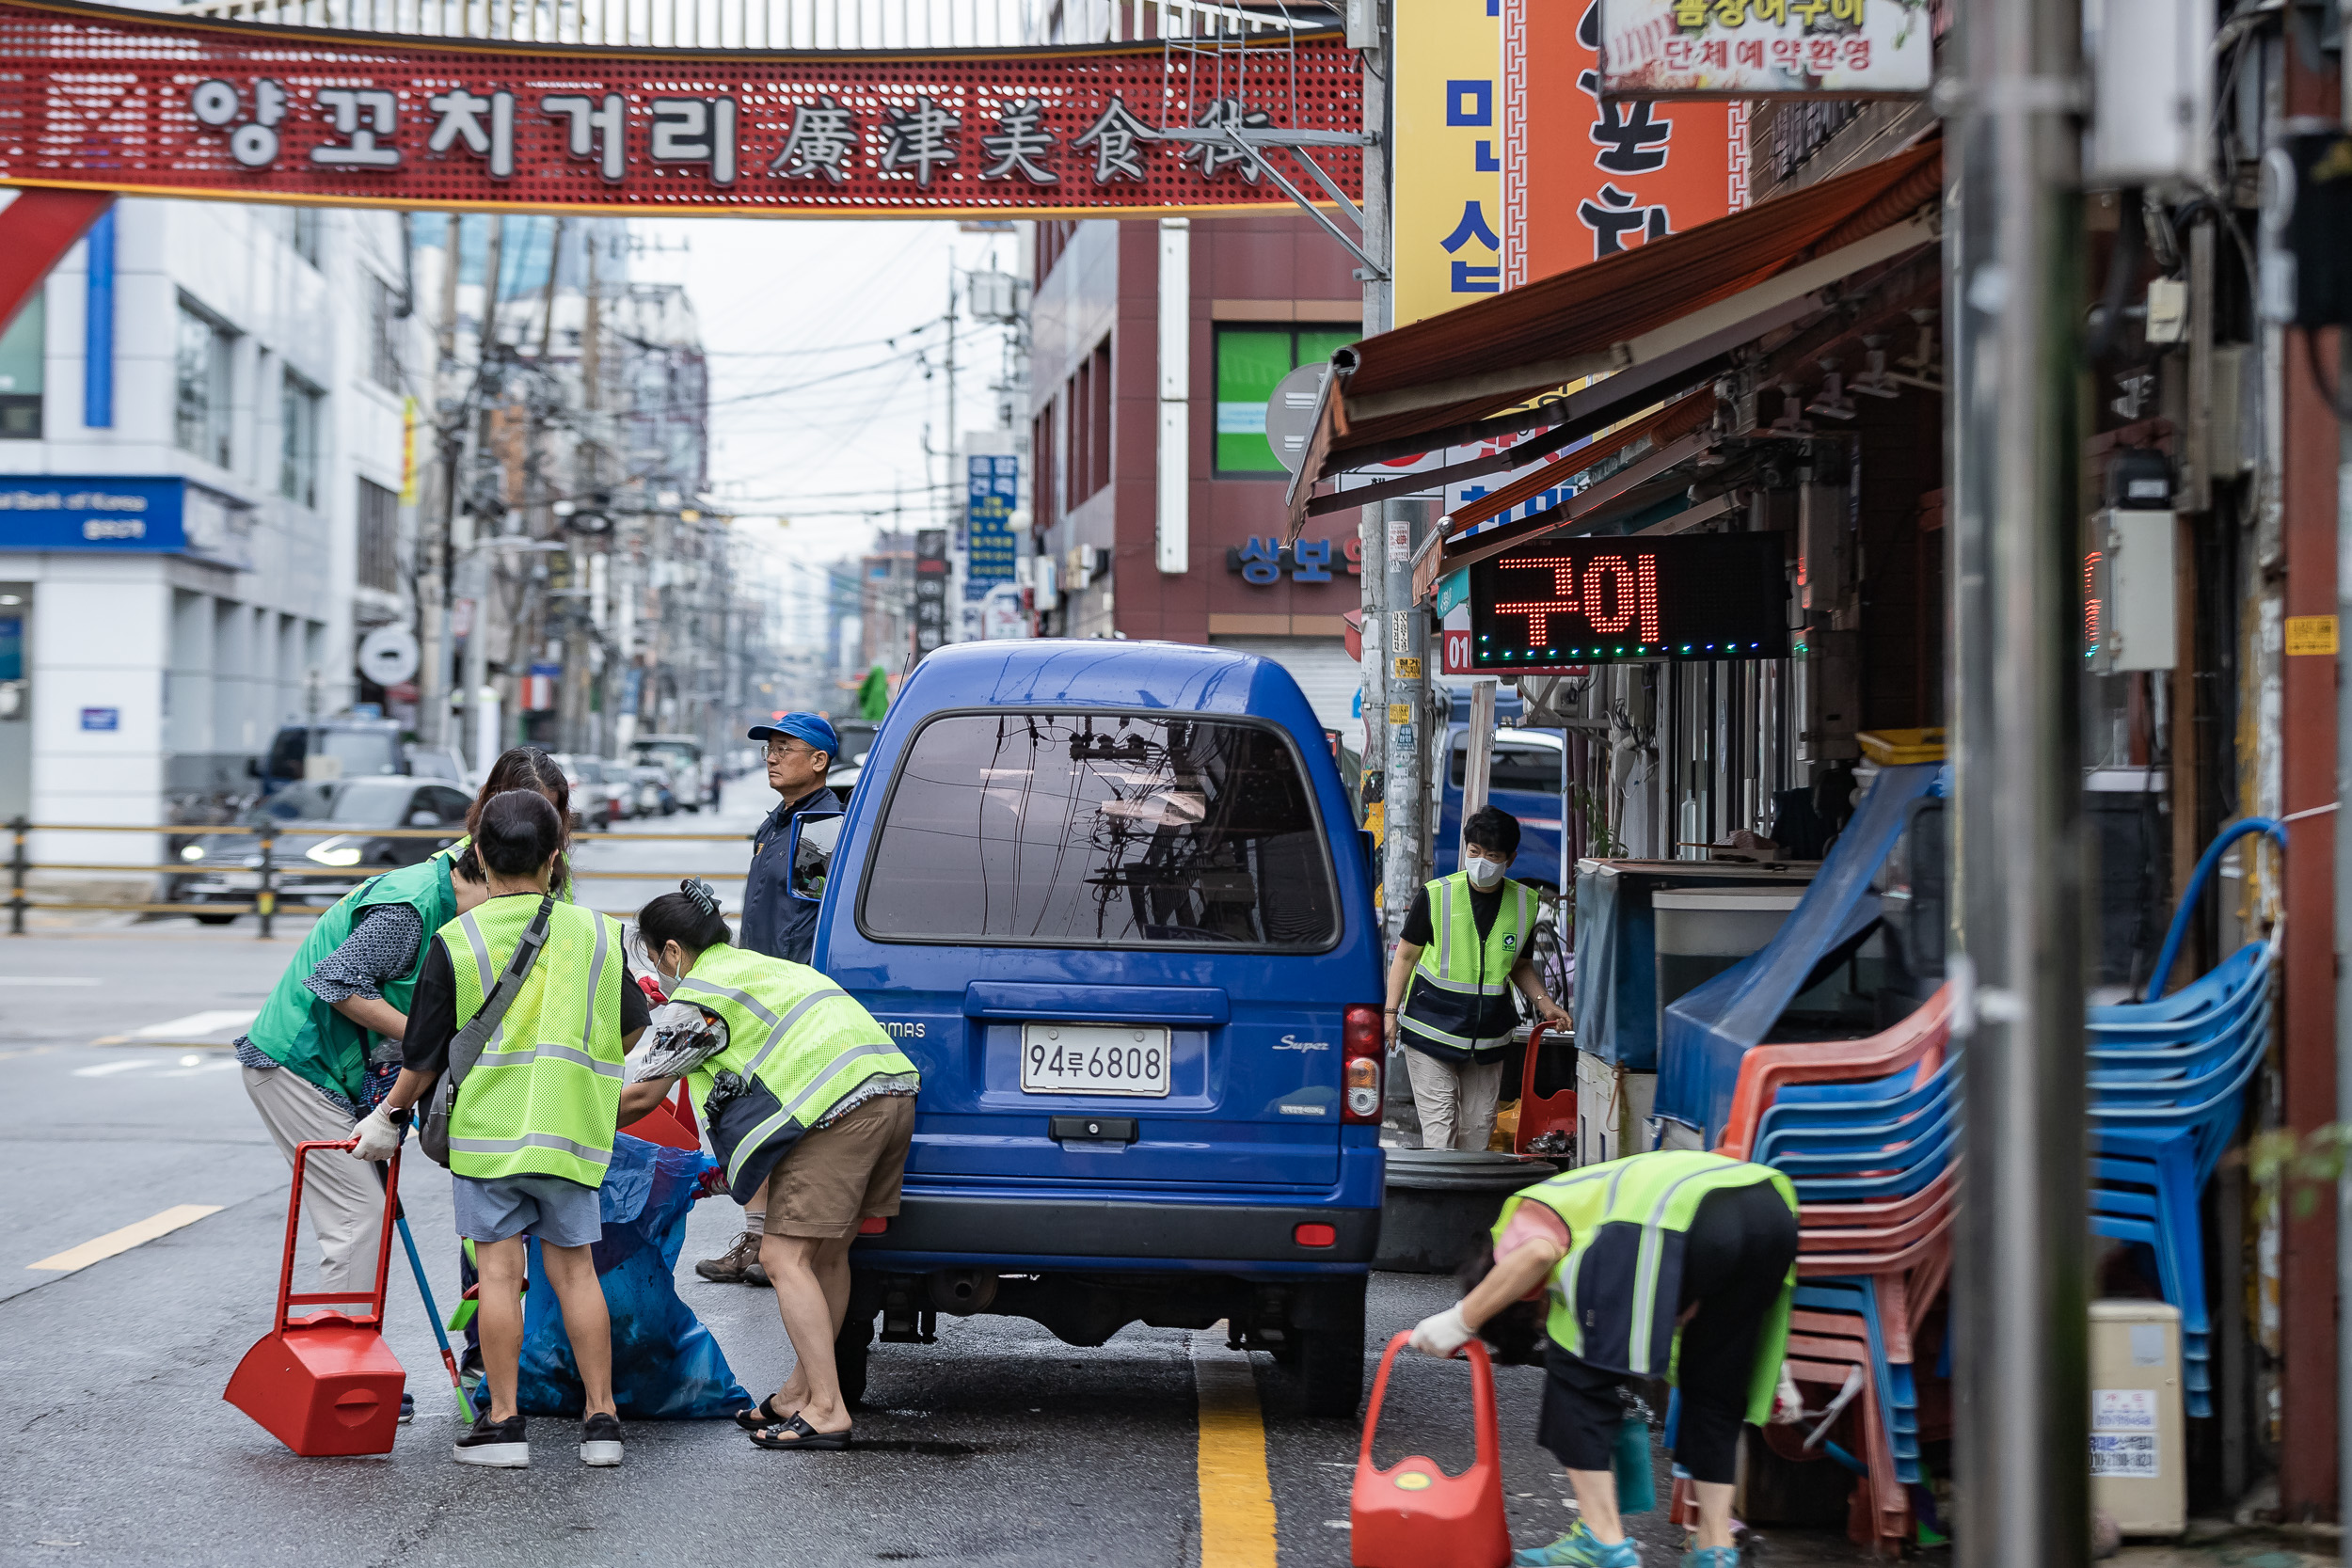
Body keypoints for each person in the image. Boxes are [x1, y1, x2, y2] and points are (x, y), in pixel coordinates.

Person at [352, 790, 650, 1469]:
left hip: (488, 1139)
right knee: (576, 1273)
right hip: (571, 1130)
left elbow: (423, 1056)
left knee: (498, 1274)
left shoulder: (459, 941)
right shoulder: (599, 933)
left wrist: (389, 1117)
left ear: (480, 854)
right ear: (556, 857)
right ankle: (602, 1422)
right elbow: (634, 1027)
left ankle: (505, 1423)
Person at [618, 879, 919, 1450]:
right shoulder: (754, 967)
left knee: (782, 1256)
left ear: (674, 952)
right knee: (826, 1255)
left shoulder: (701, 999)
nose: (659, 968)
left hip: (836, 1114)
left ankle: (828, 1409)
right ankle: (799, 1395)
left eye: (656, 957)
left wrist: (568, 1120)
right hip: (891, 1094)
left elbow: (641, 1097)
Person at [1409, 1149, 1803, 1568]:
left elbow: (1538, 1254)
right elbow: (1682, 1348)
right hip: (1771, 1209)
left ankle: (1602, 1542)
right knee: (1713, 1388)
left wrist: (1463, 1318)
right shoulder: (1593, 1202)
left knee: (1574, 1373)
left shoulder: (1527, 1214)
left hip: (1682, 1217)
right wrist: (1773, 1371)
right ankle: (1714, 1547)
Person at [236, 832, 495, 1419]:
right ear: (472, 876)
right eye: (498, 896)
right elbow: (335, 981)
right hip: (298, 1068)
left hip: (348, 1076)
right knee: (358, 1217)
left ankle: (353, 1362)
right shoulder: (408, 908)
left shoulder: (454, 901)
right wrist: (429, 1042)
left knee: (366, 1220)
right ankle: (339, 1373)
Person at [698, 711, 847, 1287]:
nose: (773, 756)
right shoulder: (781, 821)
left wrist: (787, 984)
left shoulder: (819, 827)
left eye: (788, 748)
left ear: (819, 762)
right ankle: (759, 1239)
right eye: (770, 747)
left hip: (789, 994)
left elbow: (813, 918)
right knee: (753, 1113)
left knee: (774, 1117)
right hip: (761, 987)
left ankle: (773, 1244)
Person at [1386, 805, 1570, 1150]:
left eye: (1492, 855)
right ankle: (1440, 1203)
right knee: (1441, 1133)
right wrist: (1390, 1014)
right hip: (1431, 1032)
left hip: (1487, 1040)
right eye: (1474, 852)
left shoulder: (1524, 903)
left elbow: (1520, 965)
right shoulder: (1438, 895)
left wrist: (1546, 1005)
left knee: (1477, 1134)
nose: (1481, 861)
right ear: (1465, 849)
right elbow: (1406, 955)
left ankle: (1464, 1204)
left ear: (1510, 859)